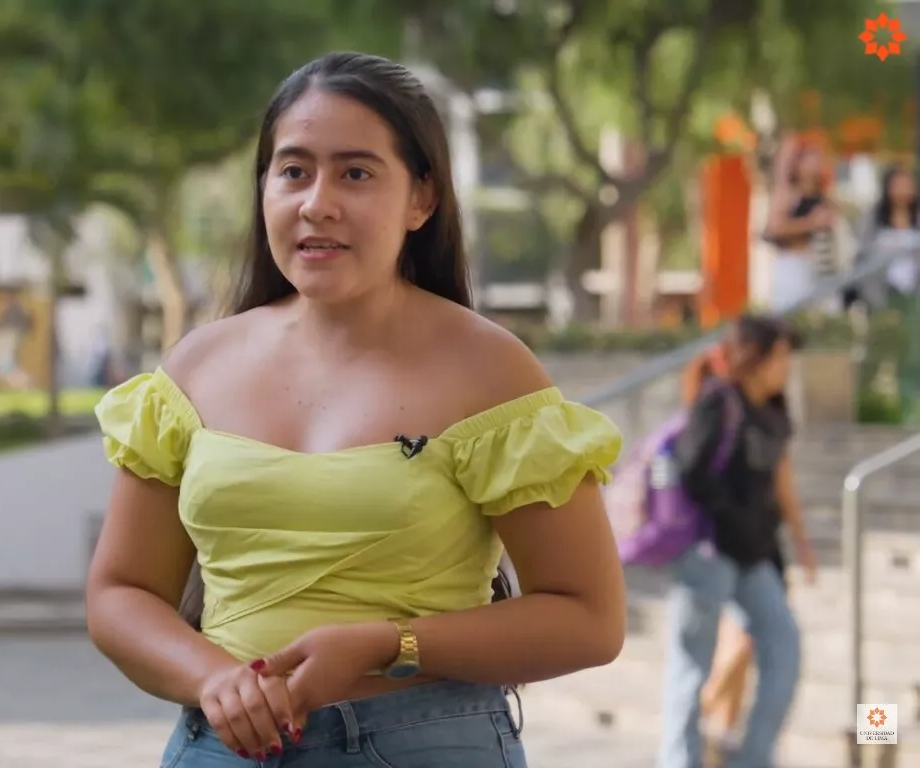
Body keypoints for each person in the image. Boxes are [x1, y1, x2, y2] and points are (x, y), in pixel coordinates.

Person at [86, 52, 626, 767]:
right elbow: (120, 592)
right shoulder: (196, 368)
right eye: (293, 171)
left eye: (356, 174)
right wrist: (214, 679)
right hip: (220, 749)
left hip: (422, 744)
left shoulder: (489, 371)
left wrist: (389, 644)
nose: (317, 203)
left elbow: (589, 618)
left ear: (421, 199)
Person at [659, 314, 814, 768]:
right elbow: (692, 472)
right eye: (780, 356)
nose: (786, 365)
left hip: (754, 556)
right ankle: (679, 761)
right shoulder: (718, 401)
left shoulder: (774, 412)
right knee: (692, 669)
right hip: (708, 554)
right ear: (754, 357)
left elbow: (774, 489)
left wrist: (788, 547)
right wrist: (734, 518)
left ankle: (754, 759)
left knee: (784, 647)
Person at [764, 141, 837, 314]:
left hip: (819, 263)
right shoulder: (788, 194)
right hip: (792, 263)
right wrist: (811, 223)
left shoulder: (822, 195)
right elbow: (775, 228)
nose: (816, 164)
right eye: (811, 159)